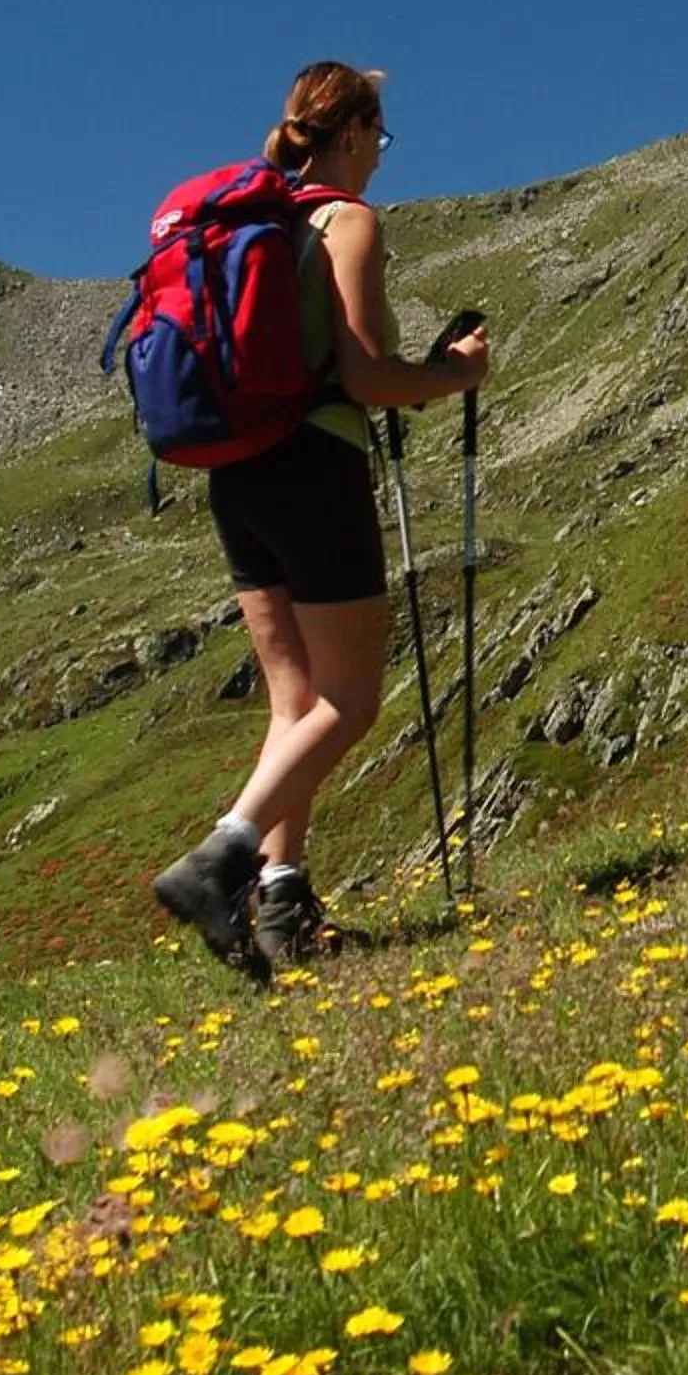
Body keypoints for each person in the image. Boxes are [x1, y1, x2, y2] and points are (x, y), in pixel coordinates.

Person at [151, 61, 490, 977]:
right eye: (378, 137)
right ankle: (222, 855)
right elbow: (369, 379)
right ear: (350, 133)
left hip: (237, 476)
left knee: (294, 703)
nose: (381, 155)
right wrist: (457, 372)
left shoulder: (260, 222)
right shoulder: (347, 221)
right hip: (314, 468)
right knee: (350, 701)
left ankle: (279, 903)